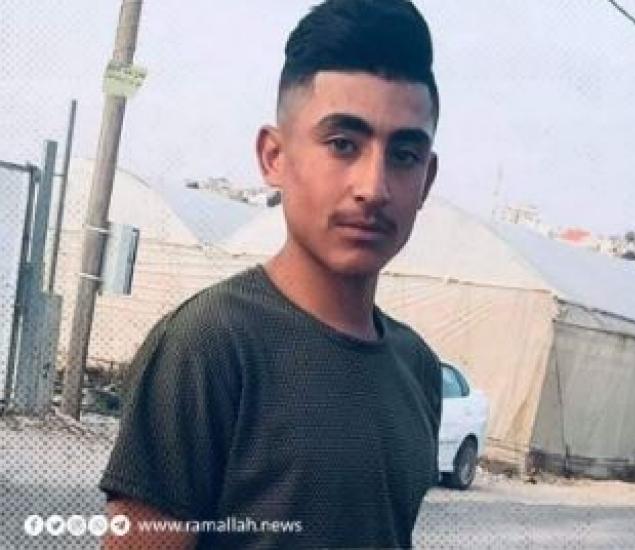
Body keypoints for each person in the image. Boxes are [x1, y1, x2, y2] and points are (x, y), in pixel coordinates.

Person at [99, 1, 443, 547]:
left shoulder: (418, 368)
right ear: (274, 156)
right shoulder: (209, 345)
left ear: (427, 179)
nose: (373, 187)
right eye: (343, 145)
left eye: (403, 155)